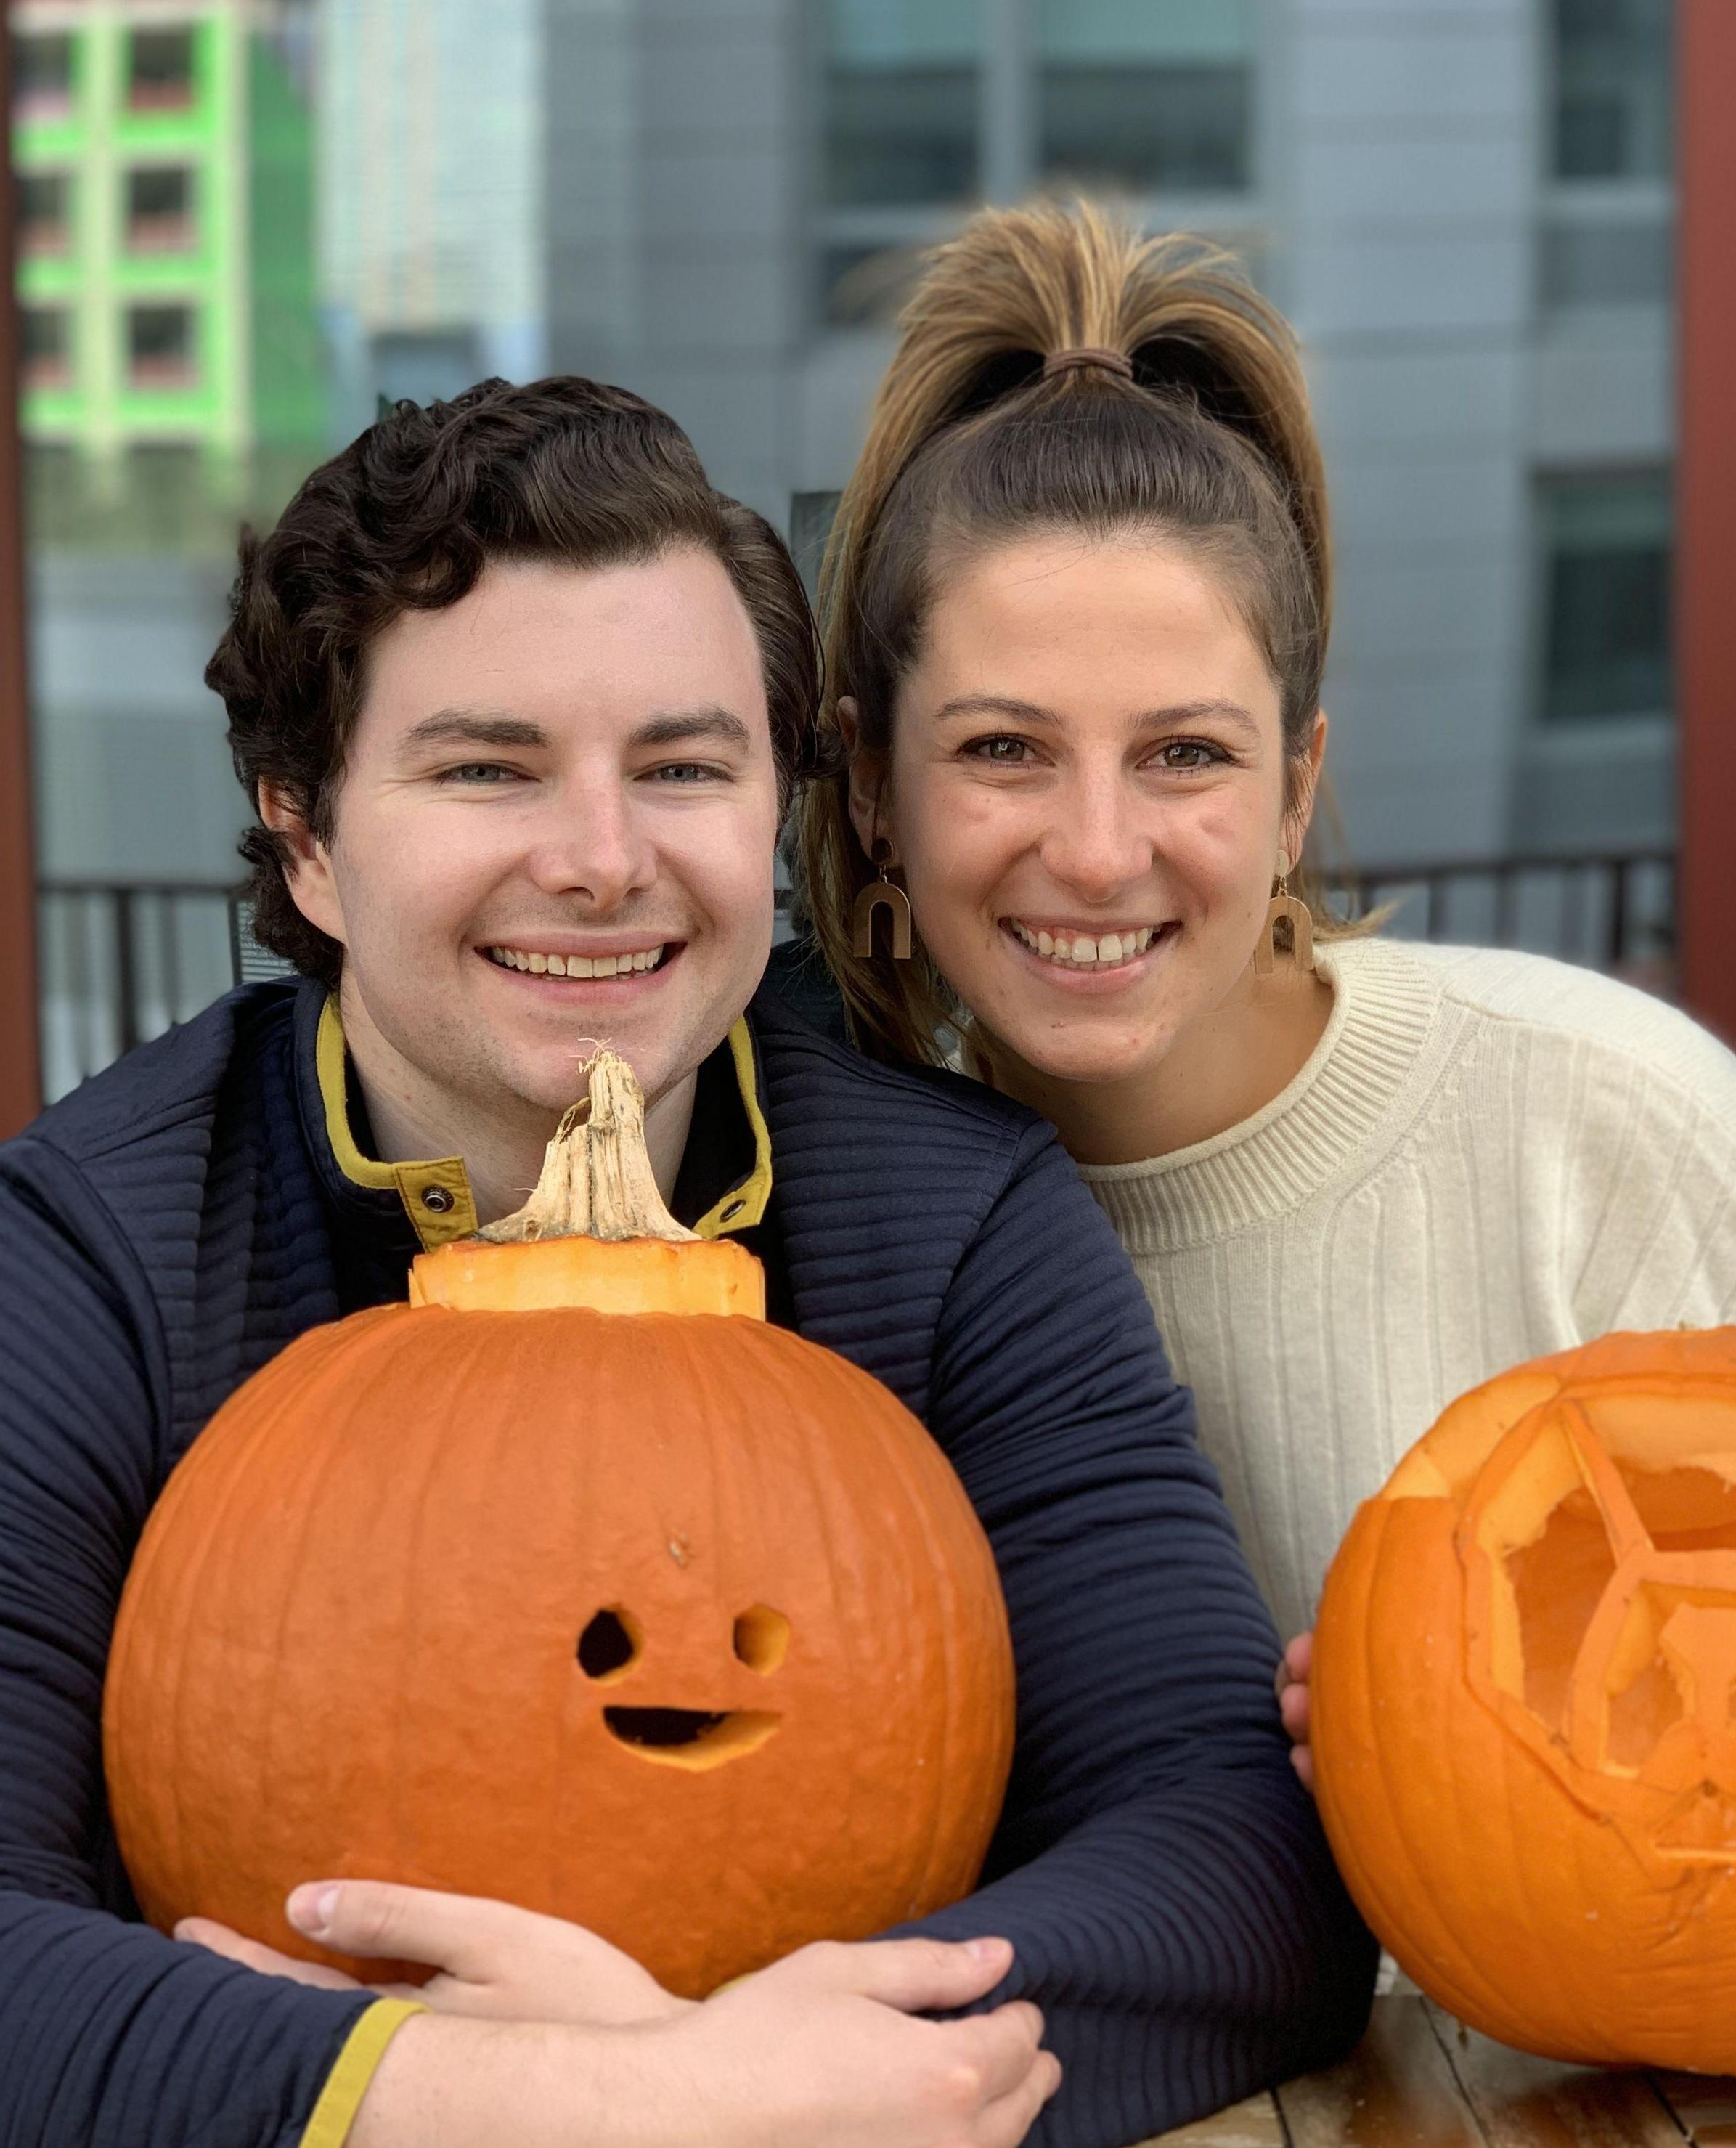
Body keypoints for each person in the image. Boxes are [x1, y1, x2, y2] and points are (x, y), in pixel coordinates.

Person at [791, 199, 1736, 2094]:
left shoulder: (1603, 1119)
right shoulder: (831, 1217)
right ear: (870, 780)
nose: (1097, 849)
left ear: (1298, 787)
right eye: (1004, 749)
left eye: (1185, 752)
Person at [0, 377, 1374, 2148]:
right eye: (488, 767)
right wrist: (580, 2104)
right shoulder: (94, 1247)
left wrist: (823, 2088)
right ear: (308, 836)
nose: (601, 862)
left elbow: (1235, 1857)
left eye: (683, 768)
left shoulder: (947, 1221)